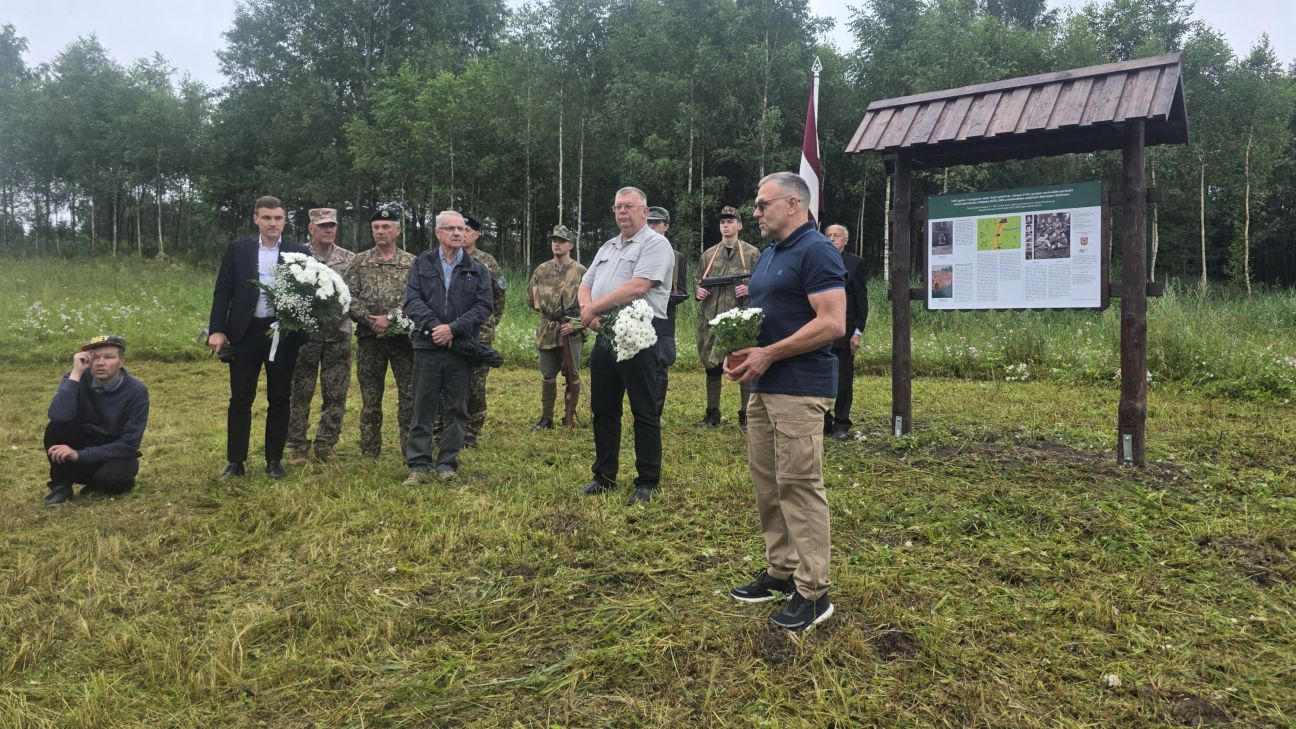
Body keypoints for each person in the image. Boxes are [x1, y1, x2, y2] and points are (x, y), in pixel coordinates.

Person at [726, 172, 845, 631]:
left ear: (793, 203)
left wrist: (769, 353)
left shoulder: (817, 250)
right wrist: (740, 349)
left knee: (798, 484)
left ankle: (814, 592)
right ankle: (781, 570)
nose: (755, 213)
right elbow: (767, 317)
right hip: (764, 384)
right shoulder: (773, 253)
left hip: (800, 386)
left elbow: (832, 322)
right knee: (768, 483)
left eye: (762, 205)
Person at [578, 187, 674, 505]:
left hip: (641, 335)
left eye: (629, 206)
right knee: (603, 409)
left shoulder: (656, 244)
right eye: (618, 206)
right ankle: (604, 475)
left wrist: (593, 309)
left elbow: (638, 286)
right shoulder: (608, 246)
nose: (622, 212)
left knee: (644, 410)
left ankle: (646, 480)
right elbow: (586, 283)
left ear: (644, 211)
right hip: (606, 334)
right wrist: (588, 310)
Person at [207, 195, 310, 480]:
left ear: (285, 220)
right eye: (267, 217)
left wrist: (301, 325)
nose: (272, 223)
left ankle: (274, 460)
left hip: (282, 333)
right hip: (244, 332)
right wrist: (217, 329)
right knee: (241, 398)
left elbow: (308, 294)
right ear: (256, 219)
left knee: (280, 397)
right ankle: (235, 462)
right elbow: (223, 291)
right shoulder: (237, 250)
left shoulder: (299, 253)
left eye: (277, 218)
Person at [402, 210, 494, 483]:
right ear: (438, 233)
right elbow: (411, 301)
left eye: (461, 229)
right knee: (423, 406)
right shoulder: (422, 264)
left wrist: (452, 329)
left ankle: (447, 465)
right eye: (451, 228)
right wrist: (435, 328)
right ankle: (418, 466)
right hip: (427, 347)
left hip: (460, 347)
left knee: (456, 407)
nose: (457, 233)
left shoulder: (477, 269)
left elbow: (483, 306)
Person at [342, 207, 416, 459]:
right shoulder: (359, 261)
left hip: (403, 342)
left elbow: (418, 299)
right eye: (376, 228)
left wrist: (392, 318)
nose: (381, 231)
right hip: (369, 339)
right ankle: (370, 450)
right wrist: (369, 319)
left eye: (386, 227)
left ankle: (410, 450)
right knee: (370, 399)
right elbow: (347, 296)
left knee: (409, 398)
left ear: (397, 230)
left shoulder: (412, 263)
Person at [42, 335, 149, 506]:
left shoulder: (136, 391)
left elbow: (129, 443)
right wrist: (76, 373)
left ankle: (98, 483)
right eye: (95, 357)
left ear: (121, 361)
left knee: (113, 479)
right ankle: (61, 486)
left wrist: (79, 455)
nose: (100, 363)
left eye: (108, 357)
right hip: (80, 445)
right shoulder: (75, 379)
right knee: (57, 427)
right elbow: (58, 415)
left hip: (112, 453)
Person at [286, 207, 356, 464]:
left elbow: (355, 295)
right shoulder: (298, 257)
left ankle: (326, 444)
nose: (328, 230)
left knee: (336, 393)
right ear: (311, 228)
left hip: (338, 336)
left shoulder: (349, 259)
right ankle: (296, 446)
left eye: (332, 225)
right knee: (300, 392)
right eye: (323, 225)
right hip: (305, 338)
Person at [694, 205, 761, 429]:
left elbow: (765, 282)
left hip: (740, 321)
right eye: (723, 221)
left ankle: (746, 415)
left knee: (744, 366)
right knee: (712, 367)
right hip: (711, 318)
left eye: (731, 221)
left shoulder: (752, 253)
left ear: (739, 225)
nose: (726, 224)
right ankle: (712, 414)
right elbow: (698, 281)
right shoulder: (709, 255)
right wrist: (699, 292)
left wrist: (750, 289)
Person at [442, 213, 505, 448]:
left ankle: (470, 433)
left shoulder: (487, 262)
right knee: (445, 384)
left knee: (476, 387)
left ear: (476, 235)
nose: (462, 234)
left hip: (480, 335)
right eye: (459, 229)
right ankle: (443, 430)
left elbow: (499, 298)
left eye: (468, 230)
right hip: (448, 333)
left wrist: (488, 323)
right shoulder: (442, 260)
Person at [526, 224, 587, 429]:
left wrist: (575, 324)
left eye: (561, 240)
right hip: (547, 329)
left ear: (570, 244)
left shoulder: (581, 272)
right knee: (548, 375)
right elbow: (530, 299)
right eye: (554, 240)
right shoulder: (541, 270)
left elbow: (592, 305)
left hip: (572, 330)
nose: (557, 244)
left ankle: (569, 416)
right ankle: (546, 418)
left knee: (573, 374)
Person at [824, 224, 869, 441]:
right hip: (819, 331)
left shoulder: (855, 263)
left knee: (842, 381)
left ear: (845, 240)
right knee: (820, 377)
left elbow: (862, 302)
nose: (832, 239)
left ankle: (842, 423)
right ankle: (824, 420)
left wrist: (857, 332)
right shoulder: (818, 260)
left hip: (844, 331)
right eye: (828, 235)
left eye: (836, 236)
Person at [645, 206, 689, 414]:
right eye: (649, 223)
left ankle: (655, 411)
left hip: (663, 319)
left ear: (666, 227)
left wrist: (662, 298)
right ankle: (641, 408)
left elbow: (681, 291)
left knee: (661, 364)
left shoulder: (677, 257)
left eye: (656, 223)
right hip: (637, 318)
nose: (652, 227)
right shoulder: (637, 252)